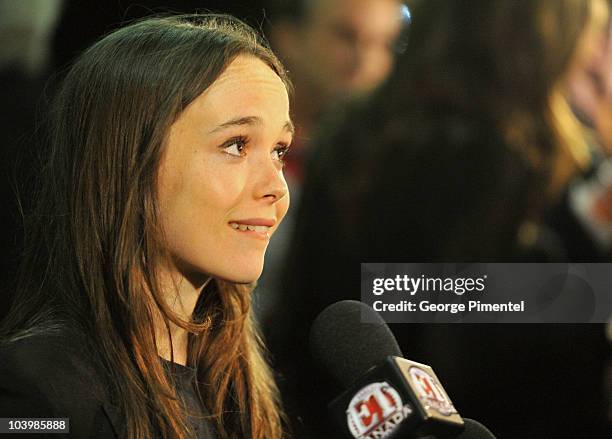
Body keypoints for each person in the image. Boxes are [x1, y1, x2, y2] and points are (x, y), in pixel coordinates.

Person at [272, 0, 610, 437]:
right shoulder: (493, 158)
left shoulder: (352, 128)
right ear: (543, 41)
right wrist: (585, 252)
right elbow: (441, 317)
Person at [0, 14, 293, 439]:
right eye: (236, 145)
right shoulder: (38, 389)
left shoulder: (233, 388)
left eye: (279, 150)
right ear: (128, 162)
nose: (276, 187)